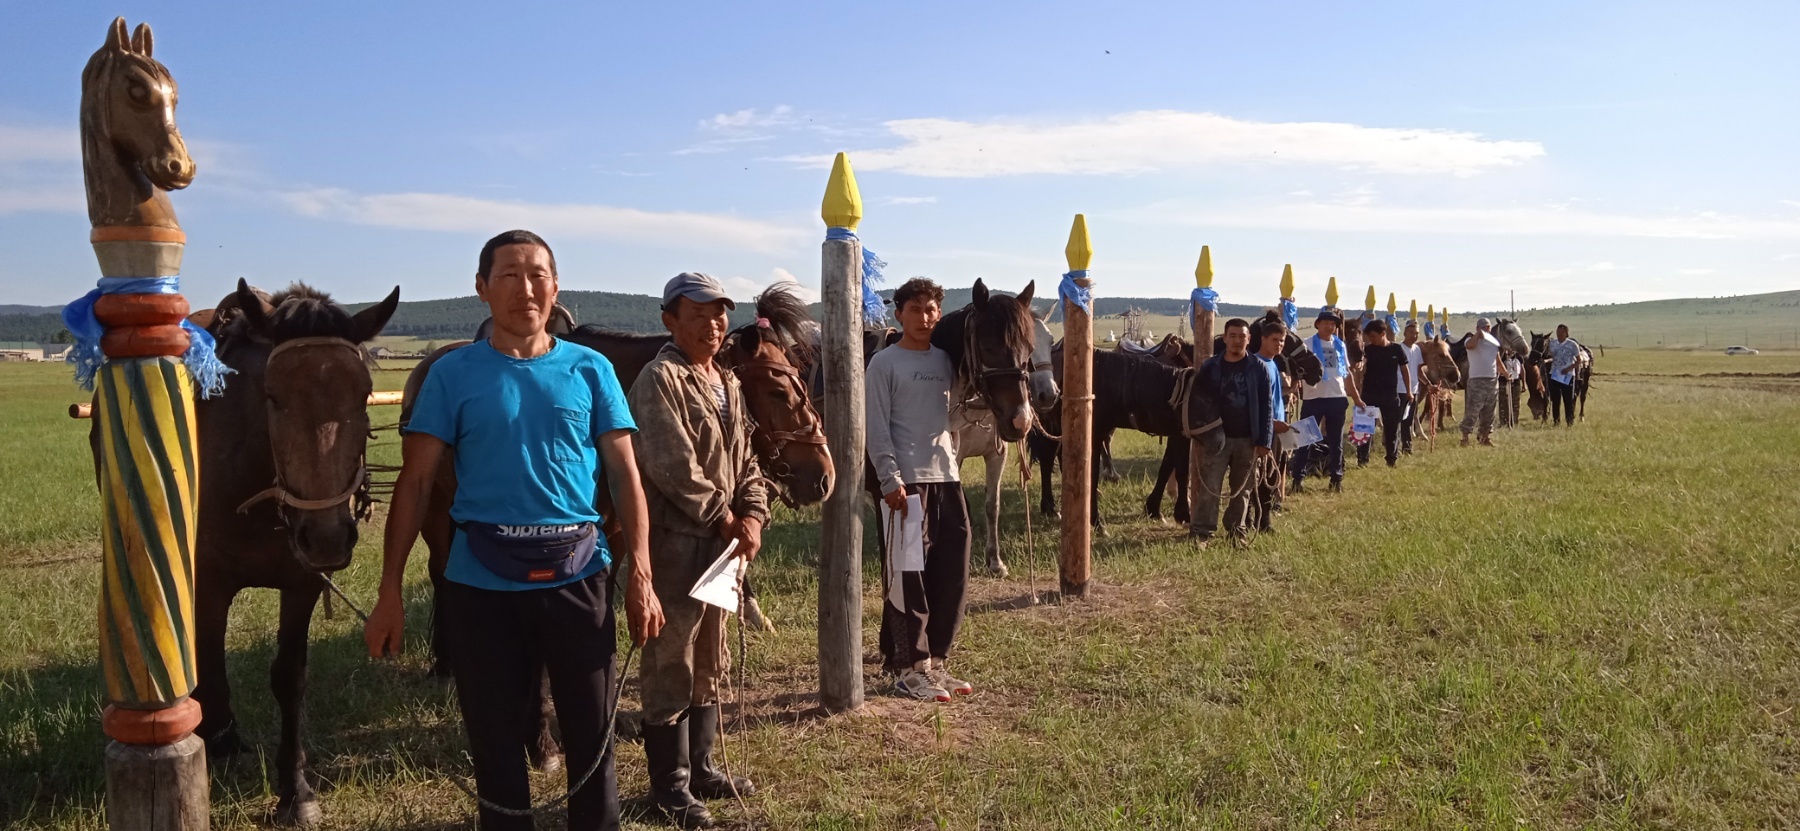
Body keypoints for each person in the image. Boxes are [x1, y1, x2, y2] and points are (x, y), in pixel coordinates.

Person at [367, 230, 662, 831]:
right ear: (481, 289)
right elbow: (417, 484)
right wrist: (389, 590)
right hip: (480, 585)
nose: (525, 288)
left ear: (555, 287)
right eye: (509, 275)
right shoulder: (452, 374)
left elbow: (627, 474)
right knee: (495, 740)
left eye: (537, 275)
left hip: (578, 577)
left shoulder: (591, 370)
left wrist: (643, 578)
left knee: (591, 738)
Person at [630, 272, 767, 829]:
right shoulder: (660, 379)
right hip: (675, 543)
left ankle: (705, 766)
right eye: (700, 314)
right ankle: (670, 787)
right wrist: (727, 516)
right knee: (671, 658)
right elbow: (670, 465)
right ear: (670, 320)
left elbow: (748, 460)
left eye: (720, 314)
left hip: (723, 545)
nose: (714, 325)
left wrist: (753, 514)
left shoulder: (727, 382)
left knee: (713, 654)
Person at [865, 277, 974, 703]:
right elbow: (876, 425)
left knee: (952, 572)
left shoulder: (946, 362)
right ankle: (911, 667)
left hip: (947, 478)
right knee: (908, 577)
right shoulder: (885, 364)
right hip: (905, 484)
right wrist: (890, 479)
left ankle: (938, 662)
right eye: (916, 310)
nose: (925, 318)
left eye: (931, 310)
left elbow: (952, 419)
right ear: (899, 314)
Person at [1193, 318, 1274, 545]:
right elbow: (1198, 403)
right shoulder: (1210, 367)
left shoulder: (1259, 368)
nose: (1237, 340)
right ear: (1225, 338)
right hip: (1216, 439)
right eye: (1233, 336)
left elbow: (1266, 406)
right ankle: (1202, 532)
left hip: (1248, 439)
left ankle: (1236, 531)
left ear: (1249, 339)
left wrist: (1264, 441)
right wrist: (1200, 434)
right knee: (1210, 487)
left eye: (1242, 336)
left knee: (1242, 490)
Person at [1289, 308, 1362, 493]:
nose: (1329, 327)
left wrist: (1356, 398)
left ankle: (1336, 478)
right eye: (1325, 323)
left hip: (1336, 397)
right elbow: (1297, 369)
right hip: (1313, 398)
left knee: (1335, 441)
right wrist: (1293, 389)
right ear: (1317, 324)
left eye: (1333, 324)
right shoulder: (1307, 344)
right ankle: (1298, 479)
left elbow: (1346, 374)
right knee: (1305, 440)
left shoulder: (1340, 346)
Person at [1355, 319, 1413, 467]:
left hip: (1390, 396)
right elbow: (1360, 366)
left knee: (1392, 429)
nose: (1371, 340)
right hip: (1369, 394)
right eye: (1369, 337)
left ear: (1383, 334)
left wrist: (1409, 391)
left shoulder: (1396, 349)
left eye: (1374, 336)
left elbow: (1405, 371)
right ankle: (1362, 460)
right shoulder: (1367, 350)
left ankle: (1391, 459)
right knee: (1365, 428)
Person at [1253, 319, 1290, 531]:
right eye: (1275, 340)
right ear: (1263, 339)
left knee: (1272, 475)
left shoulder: (1273, 363)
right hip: (1266, 428)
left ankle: (1264, 519)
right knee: (1259, 476)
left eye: (1282, 341)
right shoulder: (1257, 364)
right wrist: (1271, 423)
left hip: (1278, 428)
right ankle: (1255, 520)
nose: (1279, 344)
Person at [1460, 318, 1506, 446]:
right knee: (1472, 410)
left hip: (1492, 380)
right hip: (1477, 380)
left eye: (1489, 327)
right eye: (1485, 327)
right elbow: (1469, 346)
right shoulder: (1470, 340)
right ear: (1478, 328)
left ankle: (1485, 437)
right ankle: (1465, 437)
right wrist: (1478, 336)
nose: (1487, 329)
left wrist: (1506, 373)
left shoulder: (1493, 344)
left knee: (1490, 411)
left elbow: (1497, 361)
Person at [1399, 321, 1425, 454]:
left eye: (1416, 334)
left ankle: (1407, 448)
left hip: (1414, 390)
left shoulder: (1417, 349)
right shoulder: (1399, 348)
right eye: (1411, 333)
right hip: (1400, 389)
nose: (1414, 336)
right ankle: (1394, 447)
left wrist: (1428, 384)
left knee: (1408, 420)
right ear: (1404, 333)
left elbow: (1419, 371)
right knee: (1398, 420)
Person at [1547, 324, 1582, 426]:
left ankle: (1569, 422)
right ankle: (1556, 421)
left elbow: (1579, 360)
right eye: (1558, 332)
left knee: (1568, 400)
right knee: (1555, 399)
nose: (1559, 334)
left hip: (1568, 376)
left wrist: (1568, 369)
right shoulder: (1552, 344)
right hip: (1554, 375)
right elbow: (1551, 356)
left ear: (1566, 333)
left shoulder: (1572, 345)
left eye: (1562, 333)